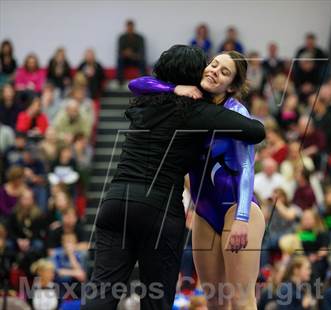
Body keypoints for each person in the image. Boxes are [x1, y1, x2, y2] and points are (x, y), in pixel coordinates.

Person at [81, 45, 265, 310]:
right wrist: (173, 88)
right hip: (199, 210)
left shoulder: (229, 111)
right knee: (213, 300)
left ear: (232, 86)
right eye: (212, 64)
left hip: (235, 207)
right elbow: (137, 83)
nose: (214, 71)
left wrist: (242, 218)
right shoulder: (195, 106)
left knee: (240, 299)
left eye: (224, 72)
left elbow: (249, 160)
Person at [116, 19, 146, 85]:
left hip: (136, 59)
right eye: (128, 27)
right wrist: (126, 53)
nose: (130, 29)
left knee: (142, 60)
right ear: (126, 27)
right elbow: (119, 51)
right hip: (125, 60)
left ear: (133, 27)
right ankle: (120, 81)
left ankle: (143, 81)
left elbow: (142, 51)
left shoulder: (140, 38)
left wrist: (132, 54)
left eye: (131, 27)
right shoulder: (122, 38)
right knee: (120, 60)